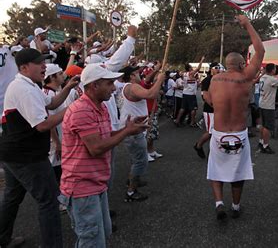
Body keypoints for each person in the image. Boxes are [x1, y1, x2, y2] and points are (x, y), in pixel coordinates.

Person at [58, 64, 149, 247]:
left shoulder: (100, 107)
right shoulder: (81, 110)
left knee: (102, 233)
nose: (114, 88)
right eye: (109, 83)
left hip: (96, 184)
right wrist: (126, 132)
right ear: (94, 86)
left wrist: (127, 130)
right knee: (91, 240)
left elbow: (105, 138)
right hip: (82, 187)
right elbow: (97, 148)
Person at [0, 48, 79, 248]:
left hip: (13, 154)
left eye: (44, 62)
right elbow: (42, 124)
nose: (44, 65)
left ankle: (2, 239)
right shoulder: (24, 89)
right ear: (24, 68)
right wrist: (73, 108)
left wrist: (68, 88)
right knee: (49, 201)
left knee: (12, 198)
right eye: (39, 63)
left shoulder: (30, 85)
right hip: (26, 157)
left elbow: (52, 103)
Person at [206, 15, 264, 220]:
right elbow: (260, 50)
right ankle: (236, 207)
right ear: (241, 65)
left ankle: (219, 202)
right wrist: (247, 23)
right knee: (237, 173)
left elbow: (212, 102)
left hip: (219, 132)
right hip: (239, 133)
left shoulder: (214, 79)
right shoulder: (246, 77)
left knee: (216, 168)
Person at [119, 65, 165, 202]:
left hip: (135, 128)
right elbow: (151, 94)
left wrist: (156, 71)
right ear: (131, 76)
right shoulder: (132, 87)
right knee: (140, 161)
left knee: (136, 159)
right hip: (134, 131)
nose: (140, 75)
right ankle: (131, 191)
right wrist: (160, 80)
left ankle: (132, 181)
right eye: (137, 73)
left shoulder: (131, 86)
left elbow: (146, 82)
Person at [193, 62, 225, 159]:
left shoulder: (219, 80)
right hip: (210, 110)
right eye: (216, 68)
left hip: (218, 109)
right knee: (211, 132)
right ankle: (198, 145)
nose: (218, 70)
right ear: (211, 69)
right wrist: (214, 106)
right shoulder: (207, 80)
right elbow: (205, 96)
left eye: (220, 68)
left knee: (217, 131)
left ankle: (214, 151)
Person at [174, 56, 205, 127]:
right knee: (193, 108)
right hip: (191, 94)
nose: (193, 68)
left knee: (183, 108)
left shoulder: (184, 74)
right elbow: (198, 68)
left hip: (185, 93)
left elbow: (192, 82)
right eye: (191, 67)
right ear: (190, 68)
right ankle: (192, 122)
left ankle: (177, 120)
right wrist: (201, 60)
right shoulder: (190, 73)